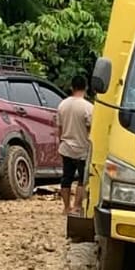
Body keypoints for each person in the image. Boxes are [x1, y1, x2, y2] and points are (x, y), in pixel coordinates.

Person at [56, 75, 93, 216]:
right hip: (82, 149)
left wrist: (60, 141)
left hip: (66, 147)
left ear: (72, 87)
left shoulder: (62, 105)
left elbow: (59, 128)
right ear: (86, 87)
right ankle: (77, 206)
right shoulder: (88, 107)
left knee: (66, 178)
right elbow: (90, 129)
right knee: (82, 180)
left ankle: (66, 207)